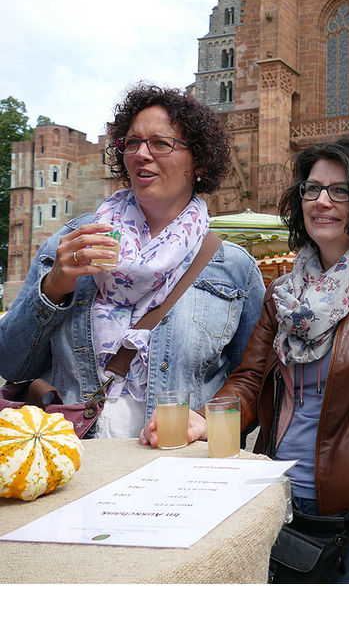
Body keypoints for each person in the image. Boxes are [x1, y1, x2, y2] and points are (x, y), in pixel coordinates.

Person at [144, 137, 349, 583]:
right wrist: (205, 420)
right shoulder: (285, 293)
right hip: (282, 497)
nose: (321, 201)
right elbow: (251, 379)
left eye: (340, 190)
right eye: (312, 189)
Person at [0, 83, 264, 438]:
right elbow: (11, 364)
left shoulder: (233, 268)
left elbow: (254, 380)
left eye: (160, 143)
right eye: (132, 142)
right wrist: (53, 289)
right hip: (77, 460)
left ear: (198, 161)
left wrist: (207, 421)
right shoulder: (71, 244)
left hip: (177, 466)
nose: (142, 154)